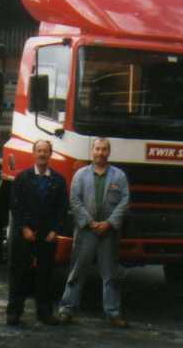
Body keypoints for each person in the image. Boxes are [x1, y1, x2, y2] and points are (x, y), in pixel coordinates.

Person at [57, 137, 130, 328]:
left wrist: (109, 223)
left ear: (108, 152)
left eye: (104, 149)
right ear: (92, 151)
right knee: (77, 272)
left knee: (110, 274)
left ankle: (113, 313)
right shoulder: (80, 175)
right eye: (97, 149)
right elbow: (75, 200)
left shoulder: (119, 176)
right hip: (85, 232)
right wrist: (89, 223)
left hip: (109, 233)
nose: (100, 153)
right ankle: (67, 309)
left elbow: (124, 202)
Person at [6, 139, 67, 326]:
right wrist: (23, 228)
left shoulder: (58, 180)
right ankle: (14, 312)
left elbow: (62, 208)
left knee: (45, 275)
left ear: (50, 154)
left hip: (47, 236)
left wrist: (55, 230)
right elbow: (15, 206)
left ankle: (45, 313)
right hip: (25, 233)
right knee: (19, 274)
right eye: (39, 150)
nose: (42, 154)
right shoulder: (22, 178)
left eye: (45, 151)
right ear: (34, 153)